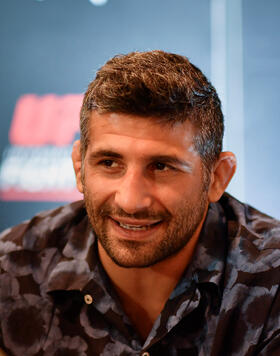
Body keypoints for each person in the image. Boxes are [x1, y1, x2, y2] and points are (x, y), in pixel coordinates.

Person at [0, 50, 279, 356]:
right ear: (80, 168)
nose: (131, 201)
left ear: (217, 178)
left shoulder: (272, 280)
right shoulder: (11, 272)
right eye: (109, 163)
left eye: (161, 167)